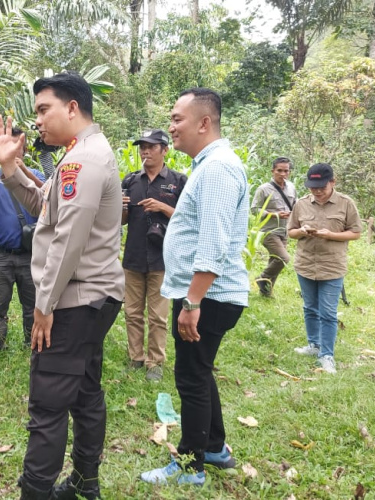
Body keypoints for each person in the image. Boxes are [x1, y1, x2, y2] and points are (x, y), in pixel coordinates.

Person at [0, 72, 125, 500]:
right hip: (92, 296)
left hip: (75, 299)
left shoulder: (84, 160)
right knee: (84, 390)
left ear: (72, 107)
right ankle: (86, 480)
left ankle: (36, 492)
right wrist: (9, 166)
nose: (39, 121)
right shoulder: (80, 154)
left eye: (44, 109)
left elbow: (68, 240)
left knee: (47, 403)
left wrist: (43, 305)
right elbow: (44, 207)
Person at [140, 88, 248, 487]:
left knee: (189, 377)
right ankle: (215, 448)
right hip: (204, 293)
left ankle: (191, 466)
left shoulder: (218, 168)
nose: (171, 127)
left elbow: (215, 242)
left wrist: (192, 300)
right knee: (199, 372)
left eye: (176, 119)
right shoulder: (210, 164)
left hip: (207, 295)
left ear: (204, 123)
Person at [0, 128, 45, 350]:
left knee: (33, 304)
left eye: (16, 146)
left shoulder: (36, 174)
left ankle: (32, 344)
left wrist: (23, 171)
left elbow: (50, 197)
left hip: (31, 253)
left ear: (23, 149)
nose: (11, 150)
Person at [121, 129, 187, 381]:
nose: (145, 151)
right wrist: (123, 209)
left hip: (162, 258)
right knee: (132, 312)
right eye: (142, 147)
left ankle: (155, 362)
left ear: (165, 150)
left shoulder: (178, 181)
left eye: (151, 147)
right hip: (134, 256)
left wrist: (162, 207)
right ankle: (136, 358)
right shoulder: (130, 181)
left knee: (158, 315)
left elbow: (188, 219)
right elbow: (122, 221)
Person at [288, 163, 362, 374]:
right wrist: (302, 230)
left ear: (332, 182)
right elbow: (290, 231)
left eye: (321, 186)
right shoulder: (301, 204)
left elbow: (355, 232)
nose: (317, 191)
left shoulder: (346, 204)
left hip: (332, 265)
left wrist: (330, 235)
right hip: (306, 264)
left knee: (328, 312)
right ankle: (314, 345)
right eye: (313, 187)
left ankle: (327, 355)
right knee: (310, 307)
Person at [251, 157, 297, 297]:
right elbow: (254, 209)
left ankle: (266, 292)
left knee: (275, 260)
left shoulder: (291, 187)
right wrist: (274, 214)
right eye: (279, 171)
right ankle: (261, 279)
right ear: (273, 171)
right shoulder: (264, 189)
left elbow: (295, 205)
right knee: (283, 258)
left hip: (284, 230)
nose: (283, 174)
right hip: (268, 231)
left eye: (286, 171)